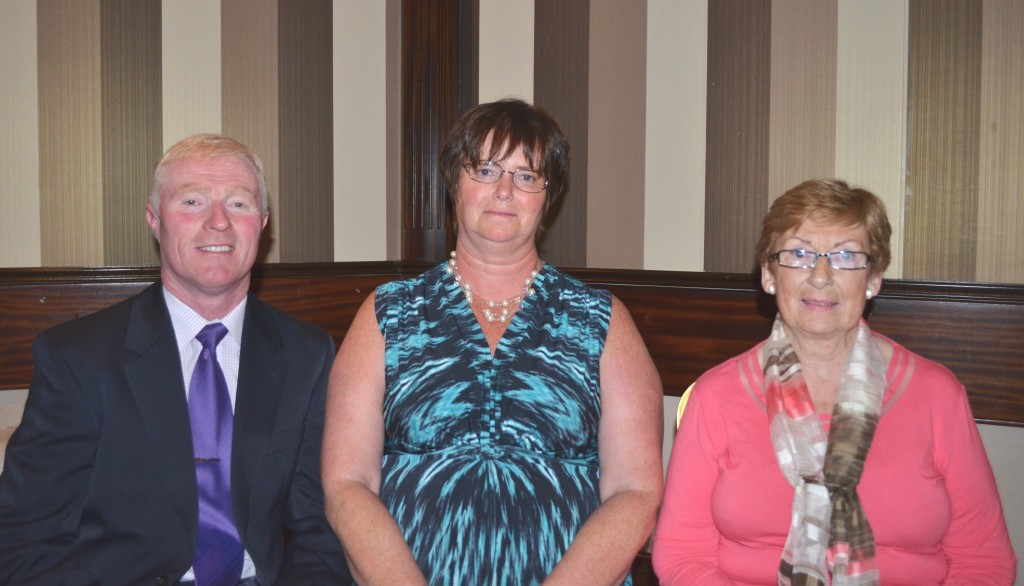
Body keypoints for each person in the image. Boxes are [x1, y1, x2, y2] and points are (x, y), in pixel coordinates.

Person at [322, 98, 663, 584]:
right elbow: (347, 483)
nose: (505, 189)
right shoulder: (388, 312)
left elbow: (635, 491)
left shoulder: (601, 319)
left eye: (528, 176)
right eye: (485, 169)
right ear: (453, 182)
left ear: (548, 197)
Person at [0, 134, 351, 585]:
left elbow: (320, 530)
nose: (218, 222)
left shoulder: (308, 353)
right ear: (154, 220)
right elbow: (27, 539)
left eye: (239, 204)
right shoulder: (77, 359)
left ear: (263, 224)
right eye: (192, 201)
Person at [652, 178, 1017, 585]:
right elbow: (683, 555)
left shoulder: (937, 396)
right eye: (799, 253)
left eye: (846, 255)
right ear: (769, 276)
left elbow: (983, 560)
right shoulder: (715, 397)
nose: (821, 275)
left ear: (873, 278)